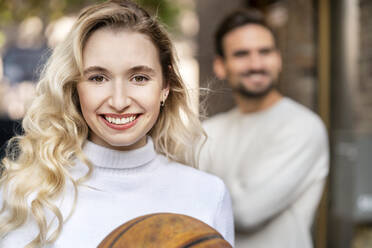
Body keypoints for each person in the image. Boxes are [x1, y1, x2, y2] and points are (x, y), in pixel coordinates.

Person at [0, 1, 234, 247]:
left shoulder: (208, 194)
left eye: (139, 78)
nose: (119, 101)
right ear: (74, 88)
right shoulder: (24, 196)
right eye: (98, 78)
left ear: (165, 86)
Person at [199, 8, 329, 248]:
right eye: (241, 54)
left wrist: (197, 189)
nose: (256, 63)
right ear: (220, 66)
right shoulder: (211, 130)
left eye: (265, 52)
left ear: (278, 59)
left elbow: (247, 211)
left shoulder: (302, 127)